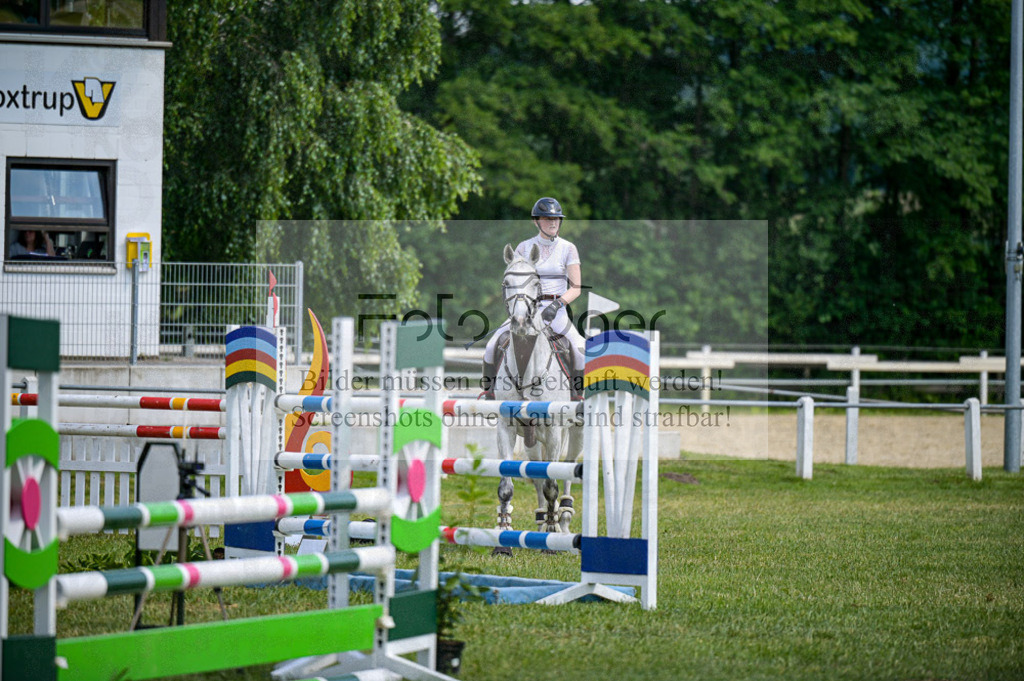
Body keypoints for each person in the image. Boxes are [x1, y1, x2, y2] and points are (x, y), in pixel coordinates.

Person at [482, 197, 586, 399]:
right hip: (527, 309)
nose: (553, 223)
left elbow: (577, 288)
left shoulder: (568, 248)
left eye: (556, 219)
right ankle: (489, 395)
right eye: (548, 219)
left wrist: (557, 305)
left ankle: (577, 397)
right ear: (536, 221)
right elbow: (513, 284)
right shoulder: (523, 247)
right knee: (490, 346)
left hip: (557, 311)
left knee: (580, 350)